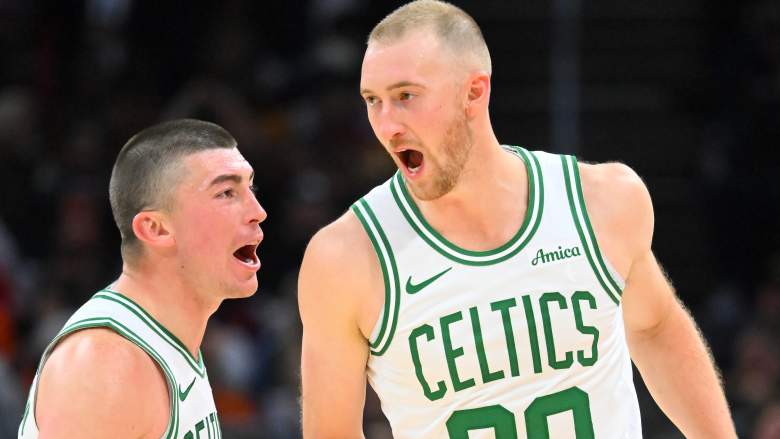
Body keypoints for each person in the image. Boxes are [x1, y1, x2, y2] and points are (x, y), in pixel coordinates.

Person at [298, 1, 737, 438]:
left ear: (473, 92)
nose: (386, 125)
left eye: (405, 96)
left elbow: (655, 326)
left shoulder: (600, 201)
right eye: (373, 100)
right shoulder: (345, 257)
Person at [18, 119, 267, 438]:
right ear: (157, 229)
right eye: (227, 192)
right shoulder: (106, 364)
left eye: (251, 187)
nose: (258, 210)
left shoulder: (166, 339)